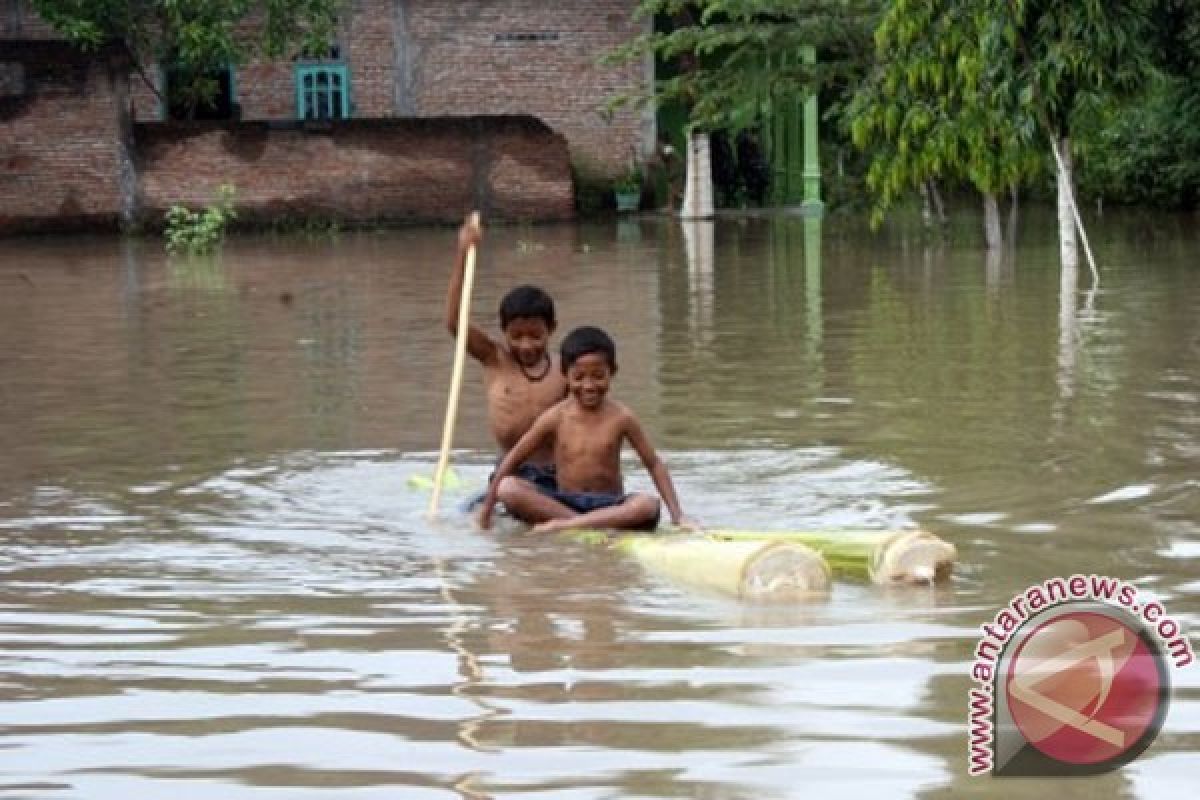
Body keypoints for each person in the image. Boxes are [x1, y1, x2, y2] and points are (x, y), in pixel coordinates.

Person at [479, 326, 699, 534]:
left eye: (598, 376)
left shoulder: (622, 417)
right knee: (508, 488)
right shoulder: (556, 416)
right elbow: (514, 457)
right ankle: (579, 523)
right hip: (565, 501)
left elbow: (654, 463)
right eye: (579, 377)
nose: (589, 386)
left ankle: (569, 525)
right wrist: (486, 510)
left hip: (609, 504)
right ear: (565, 375)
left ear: (612, 372)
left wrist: (678, 515)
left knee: (648, 505)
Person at [446, 214, 566, 494]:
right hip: (510, 474)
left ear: (552, 330)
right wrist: (463, 255)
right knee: (504, 498)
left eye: (535, 336)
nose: (526, 346)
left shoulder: (567, 369)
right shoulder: (494, 359)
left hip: (559, 474)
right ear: (503, 332)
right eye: (516, 336)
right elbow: (455, 322)